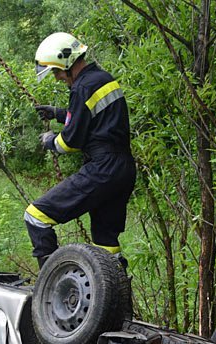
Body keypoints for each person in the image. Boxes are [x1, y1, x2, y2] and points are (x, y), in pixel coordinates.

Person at [25, 32, 136, 268]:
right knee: (105, 243)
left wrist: (50, 141)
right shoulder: (103, 79)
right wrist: (58, 113)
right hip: (123, 169)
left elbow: (70, 141)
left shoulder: (82, 87)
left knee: (36, 216)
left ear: (67, 62)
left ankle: (51, 282)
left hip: (102, 169)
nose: (57, 78)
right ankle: (114, 288)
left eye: (56, 71)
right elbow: (94, 119)